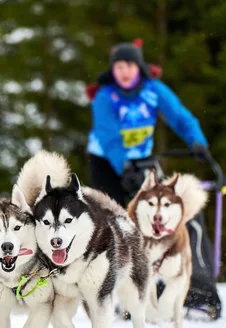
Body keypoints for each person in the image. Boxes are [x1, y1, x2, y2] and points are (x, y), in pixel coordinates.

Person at [86, 38, 212, 206]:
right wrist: (123, 167)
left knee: (155, 208)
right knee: (113, 212)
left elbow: (180, 117)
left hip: (142, 159)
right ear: (113, 70)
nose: (125, 72)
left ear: (139, 67)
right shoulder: (105, 97)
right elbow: (108, 136)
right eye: (119, 67)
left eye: (130, 66)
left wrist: (197, 142)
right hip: (106, 161)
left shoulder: (154, 90)